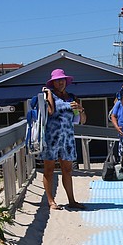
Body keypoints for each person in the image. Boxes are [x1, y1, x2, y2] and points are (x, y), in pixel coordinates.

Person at [32, 68, 87, 210]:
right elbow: (50, 111)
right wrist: (49, 94)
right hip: (51, 137)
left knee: (67, 170)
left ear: (66, 81)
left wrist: (80, 109)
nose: (60, 83)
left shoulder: (72, 97)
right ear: (53, 83)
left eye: (62, 80)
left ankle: (71, 200)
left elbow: (82, 120)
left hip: (67, 138)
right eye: (57, 81)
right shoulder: (48, 96)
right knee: (49, 170)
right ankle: (51, 201)